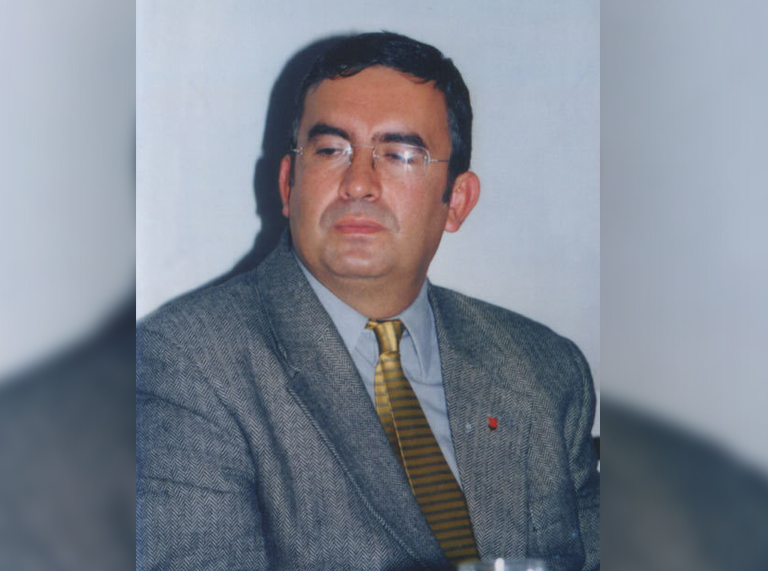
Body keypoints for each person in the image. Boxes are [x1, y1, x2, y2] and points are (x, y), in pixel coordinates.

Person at [136, 32, 599, 571]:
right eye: (330, 150)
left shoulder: (544, 371)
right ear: (288, 185)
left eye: (399, 154)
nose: (358, 183)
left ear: (457, 200)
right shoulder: (189, 366)